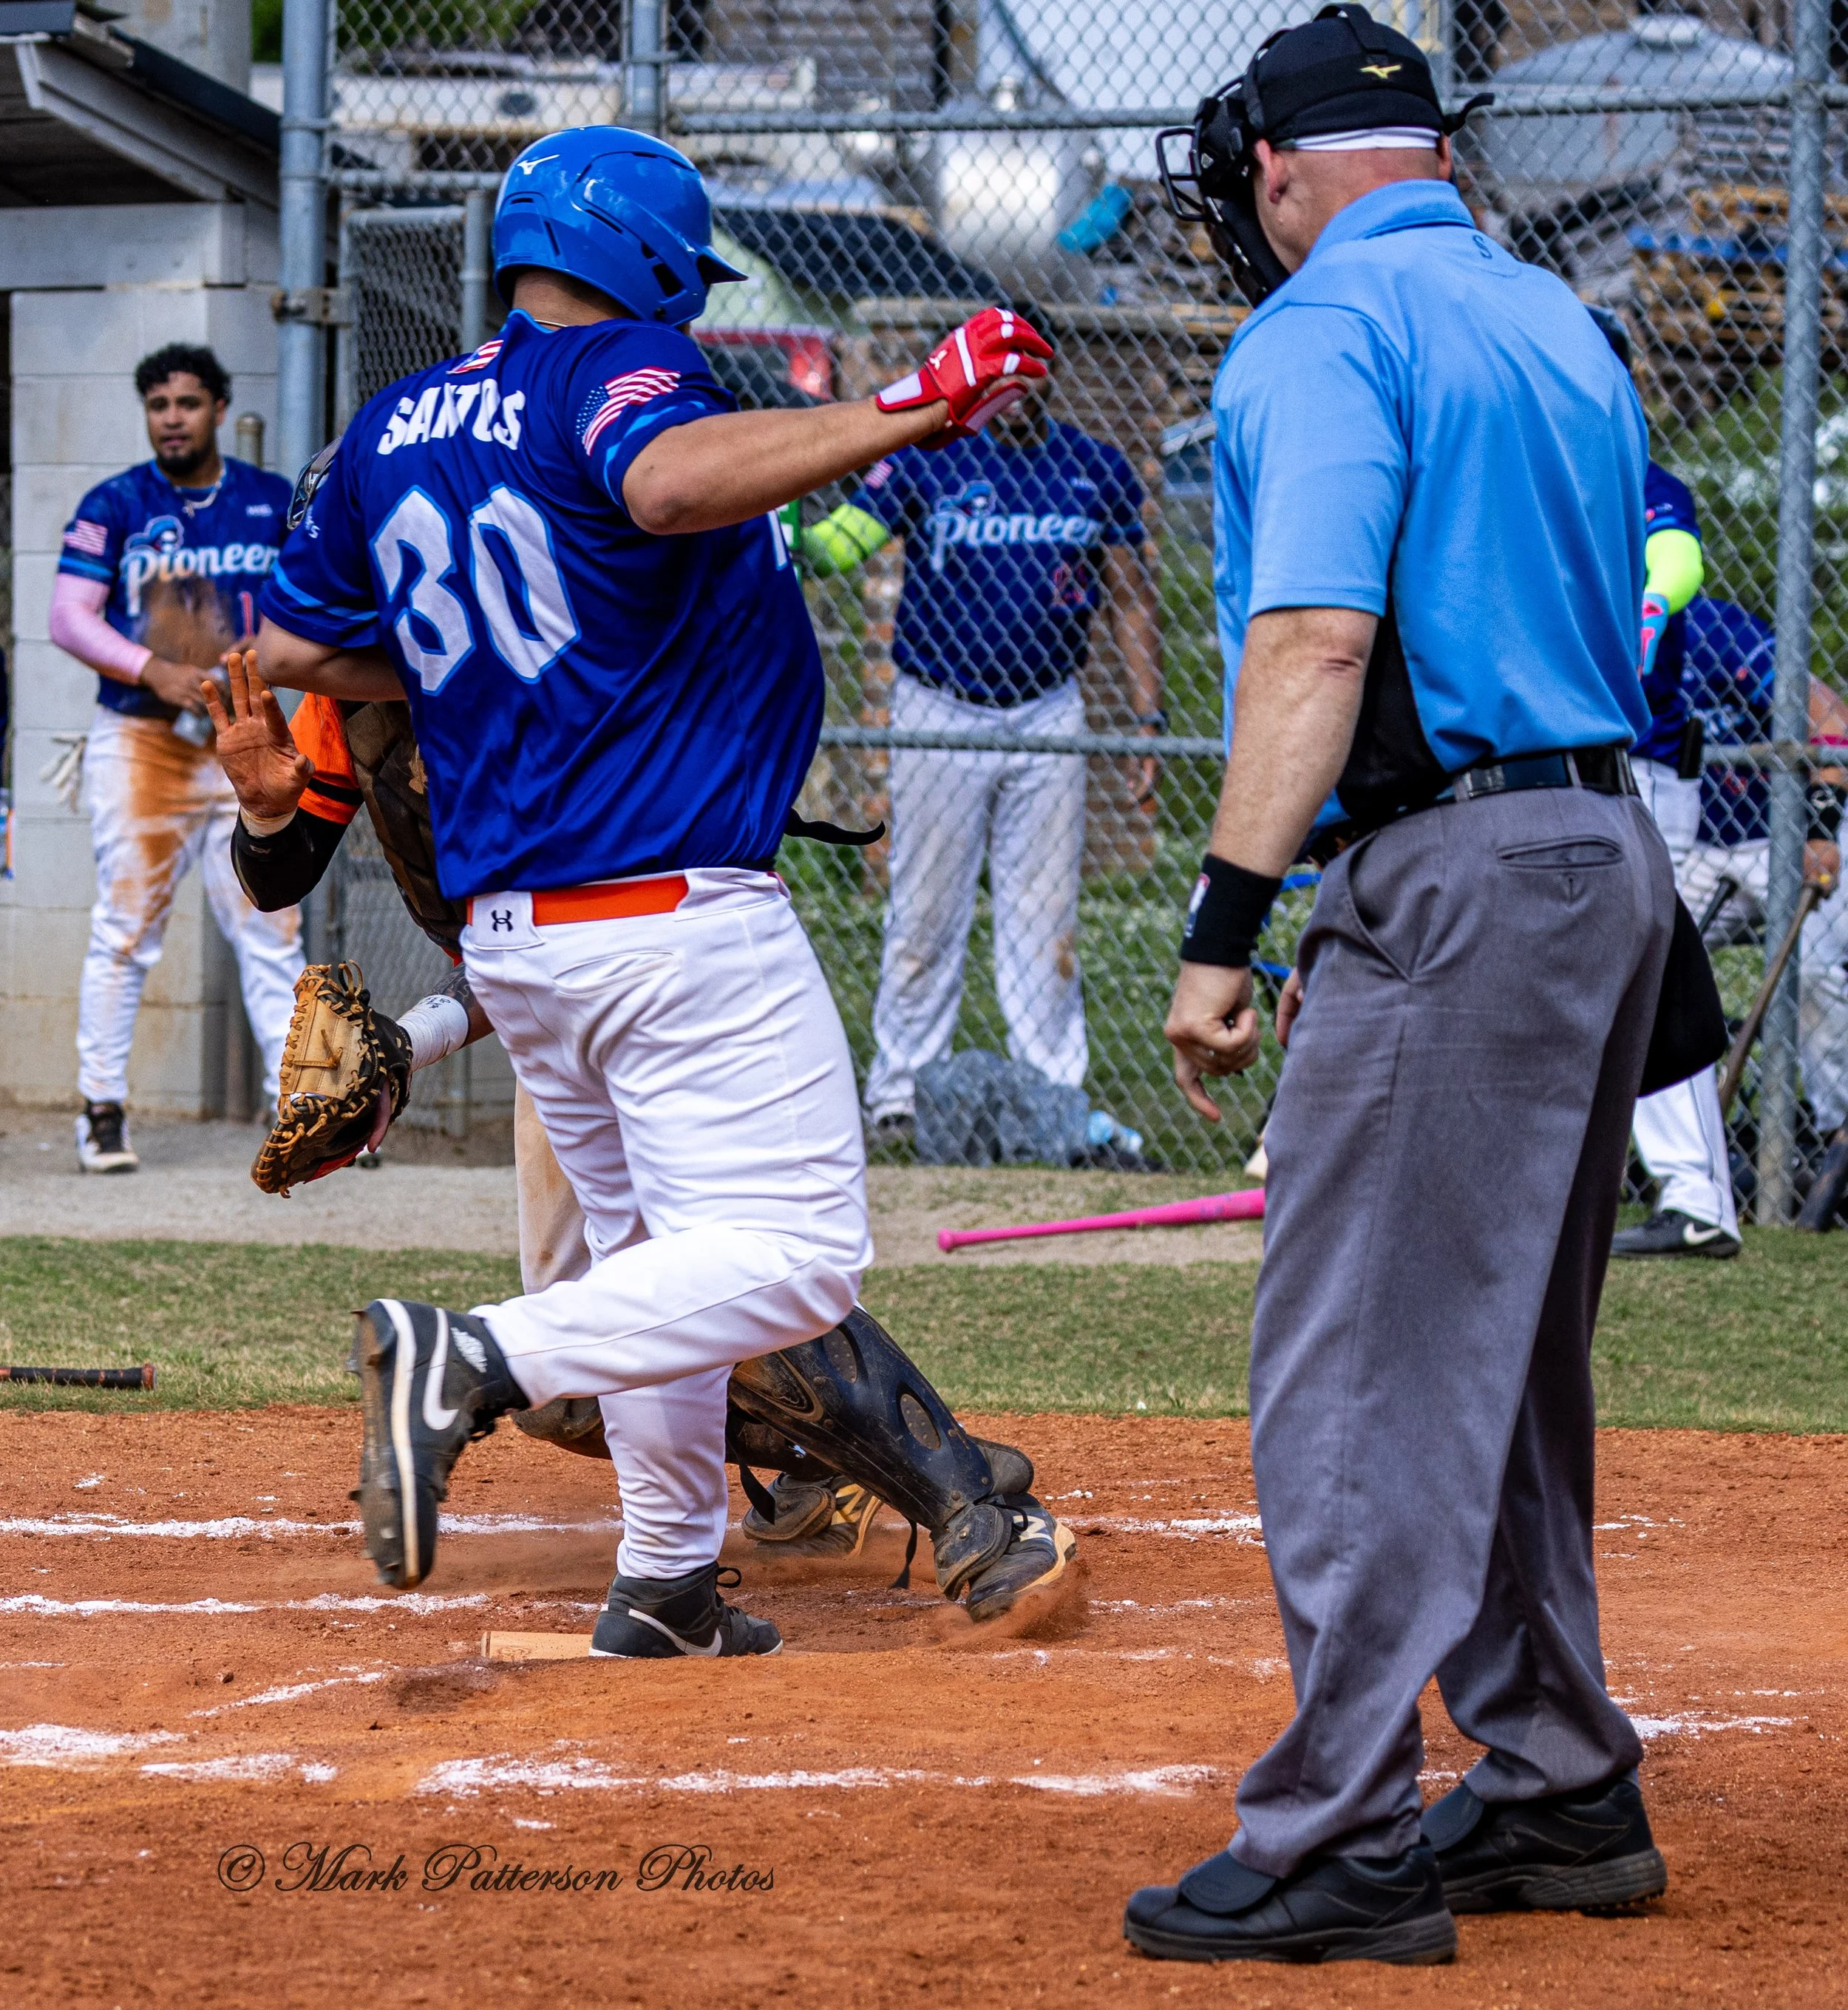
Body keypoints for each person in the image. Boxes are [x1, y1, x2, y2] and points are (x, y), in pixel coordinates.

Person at [254, 127, 1076, 1657]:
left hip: (523, 937)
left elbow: (293, 649)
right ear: (636, 261)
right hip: (669, 910)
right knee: (796, 1255)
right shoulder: (611, 368)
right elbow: (669, 480)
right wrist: (908, 405)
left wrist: (469, 662)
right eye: (678, 288)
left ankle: (667, 1582)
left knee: (659, 1274)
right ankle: (470, 1357)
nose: (685, 319)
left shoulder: (391, 420)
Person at [1131, 5, 1674, 1965]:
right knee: (1500, 1363)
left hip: (1450, 866)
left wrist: (1219, 925)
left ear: (1284, 171)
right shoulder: (1549, 316)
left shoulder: (1314, 330)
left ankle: (1339, 1830)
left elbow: (1311, 641)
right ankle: (1552, 1774)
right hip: (1591, 852)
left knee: (1358, 1363)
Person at [205, 645, 1069, 1615]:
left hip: (666, 974)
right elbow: (319, 885)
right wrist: (274, 818)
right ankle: (792, 1498)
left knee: (746, 1259)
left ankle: (969, 1505)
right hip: (544, 1001)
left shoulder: (544, 647)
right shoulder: (353, 686)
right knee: (581, 1375)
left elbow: (580, 918)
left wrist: (422, 1037)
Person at [797, 377, 1163, 1142]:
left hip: (1048, 707)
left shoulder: (1090, 464)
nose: (1017, 392)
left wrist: (1147, 713)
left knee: (1044, 916)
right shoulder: (931, 457)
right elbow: (839, 548)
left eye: (1031, 374)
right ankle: (898, 1095)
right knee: (925, 911)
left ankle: (1053, 1091)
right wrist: (789, 515)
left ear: (1053, 376)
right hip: (940, 704)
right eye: (999, 377)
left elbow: (1130, 596)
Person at [49, 343, 302, 1173]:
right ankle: (103, 1111)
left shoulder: (270, 501)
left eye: (187, 403)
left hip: (247, 735)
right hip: (144, 736)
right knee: (125, 929)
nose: (171, 419)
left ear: (220, 410)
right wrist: (154, 667)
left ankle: (299, 1109)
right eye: (158, 405)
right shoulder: (115, 501)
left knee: (269, 927)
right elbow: (68, 617)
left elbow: (315, 605)